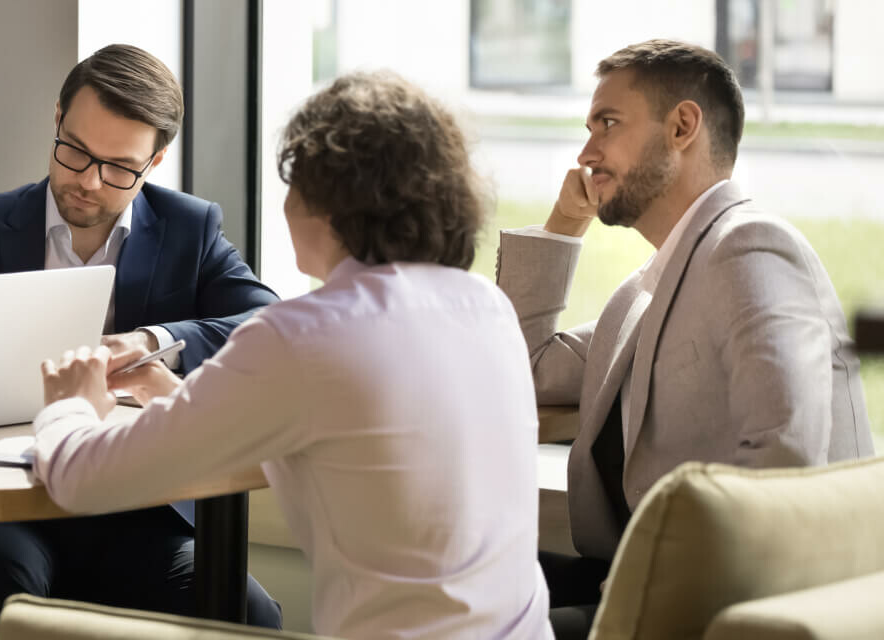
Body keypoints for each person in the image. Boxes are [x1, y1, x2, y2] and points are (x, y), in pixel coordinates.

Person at [33, 71, 553, 640]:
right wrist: (179, 399)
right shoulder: (486, 308)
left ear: (322, 201)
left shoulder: (305, 334)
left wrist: (69, 404)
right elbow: (346, 439)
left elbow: (82, 482)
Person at [0, 44, 281, 635]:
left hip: (133, 506)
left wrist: (149, 340)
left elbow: (266, 325)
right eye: (76, 151)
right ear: (58, 117)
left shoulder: (190, 228)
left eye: (119, 168)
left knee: (248, 610)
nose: (88, 181)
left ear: (156, 160)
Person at [493, 39, 874, 636]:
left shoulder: (751, 246)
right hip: (637, 575)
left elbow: (784, 455)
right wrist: (564, 224)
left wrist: (658, 577)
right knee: (456, 595)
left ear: (682, 127)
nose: (586, 153)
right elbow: (528, 368)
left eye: (608, 124)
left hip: (730, 597)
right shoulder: (644, 291)